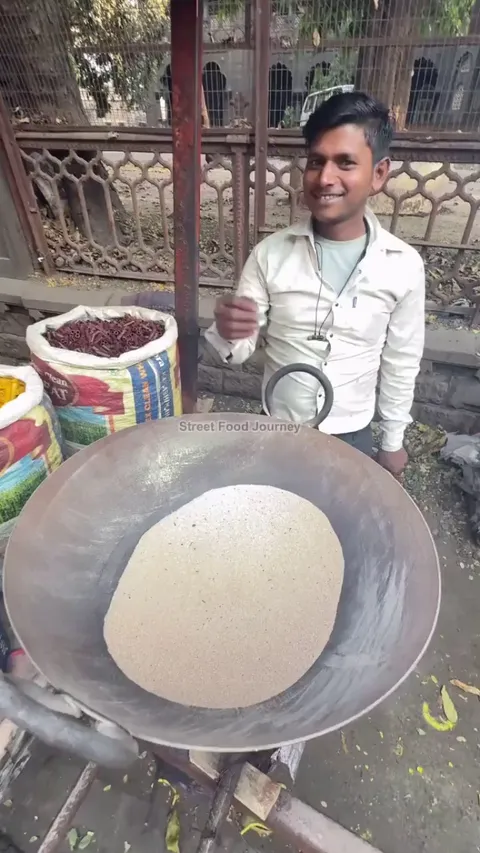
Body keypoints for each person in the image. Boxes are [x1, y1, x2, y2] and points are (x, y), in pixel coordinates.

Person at [205, 91, 425, 476]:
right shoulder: (270, 254)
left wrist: (392, 441)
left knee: (338, 527)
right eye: (316, 162)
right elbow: (236, 352)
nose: (325, 178)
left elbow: (400, 361)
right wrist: (227, 333)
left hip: (352, 433)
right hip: (277, 425)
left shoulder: (403, 267)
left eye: (345, 163)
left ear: (379, 173)